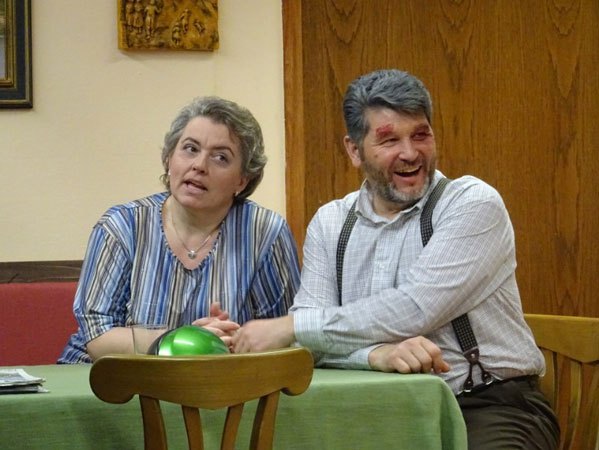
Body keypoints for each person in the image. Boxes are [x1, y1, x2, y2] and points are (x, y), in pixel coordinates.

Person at [232, 69, 560, 449]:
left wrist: (291, 327)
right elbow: (313, 346)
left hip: (487, 404)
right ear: (354, 150)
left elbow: (415, 308)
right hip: (374, 404)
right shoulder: (331, 222)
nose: (410, 153)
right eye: (389, 140)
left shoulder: (472, 203)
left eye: (420, 135)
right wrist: (376, 355)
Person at [58, 96, 300, 364]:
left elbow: (286, 334)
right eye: (190, 149)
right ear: (168, 158)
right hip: (112, 378)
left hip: (222, 380)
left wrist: (232, 341)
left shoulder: (265, 234)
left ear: (242, 180)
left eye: (220, 157)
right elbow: (97, 337)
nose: (199, 165)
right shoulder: (122, 226)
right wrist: (187, 342)